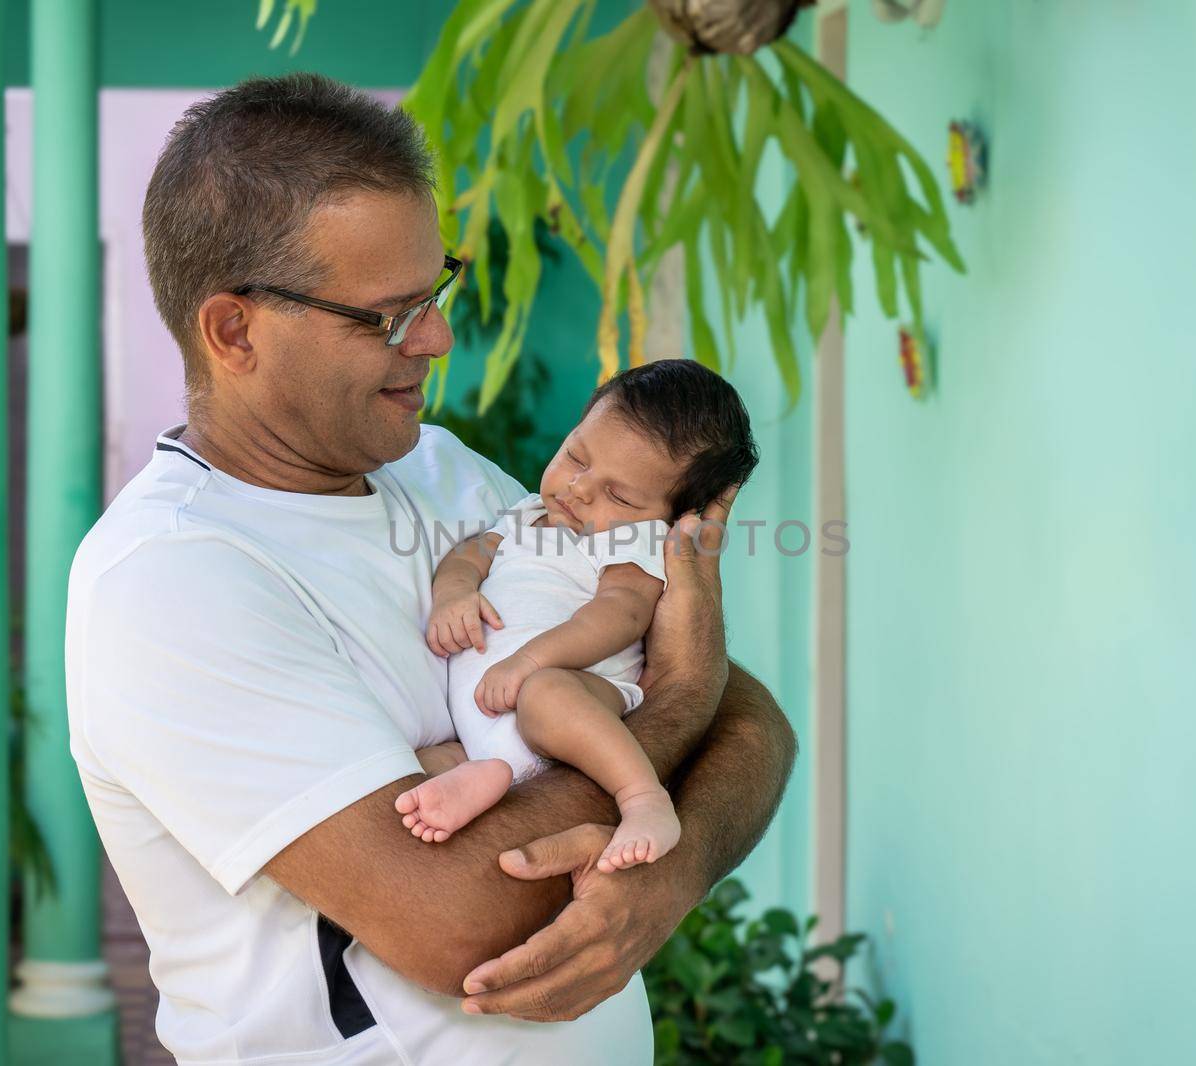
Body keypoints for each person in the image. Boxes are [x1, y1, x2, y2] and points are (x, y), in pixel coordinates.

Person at [66, 73, 795, 1065]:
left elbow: (754, 724)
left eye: (435, 287)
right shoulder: (171, 579)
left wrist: (669, 869)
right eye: (386, 314)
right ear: (234, 331)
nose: (439, 339)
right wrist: (670, 720)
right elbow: (458, 920)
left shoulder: (439, 470)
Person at [400, 361, 760, 878]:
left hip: (579, 695)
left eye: (619, 494)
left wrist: (531, 662)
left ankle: (641, 798)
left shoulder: (630, 543)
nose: (581, 488)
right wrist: (454, 593)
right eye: (576, 456)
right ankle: (490, 775)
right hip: (483, 731)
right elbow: (469, 555)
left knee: (546, 693)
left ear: (674, 518)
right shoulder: (526, 513)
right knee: (419, 764)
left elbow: (620, 615)